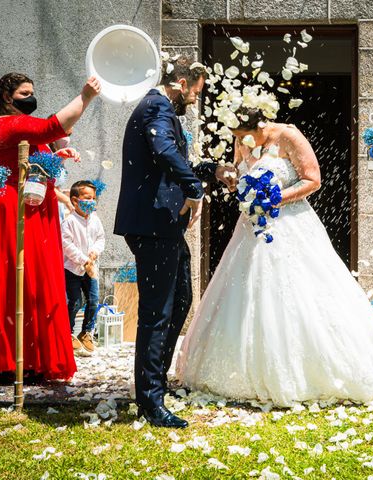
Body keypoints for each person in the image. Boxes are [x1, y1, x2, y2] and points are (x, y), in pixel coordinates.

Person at [176, 107, 373, 406]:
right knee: (246, 295)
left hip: (290, 225)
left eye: (245, 136)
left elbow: (312, 180)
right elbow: (237, 170)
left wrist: (276, 197)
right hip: (250, 230)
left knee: (301, 293)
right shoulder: (241, 140)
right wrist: (235, 181)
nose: (241, 142)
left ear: (260, 126)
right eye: (237, 138)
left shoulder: (289, 136)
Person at [114, 57, 235, 428]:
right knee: (157, 312)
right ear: (182, 83)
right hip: (152, 225)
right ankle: (151, 402)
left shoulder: (162, 111)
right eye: (195, 92)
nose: (195, 100)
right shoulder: (156, 106)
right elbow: (164, 153)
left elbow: (174, 157)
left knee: (181, 298)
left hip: (164, 226)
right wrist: (194, 188)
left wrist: (211, 170)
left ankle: (156, 384)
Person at [0, 73, 100, 382]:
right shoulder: (8, 123)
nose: (30, 98)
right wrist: (85, 96)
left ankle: (29, 357)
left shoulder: (13, 127)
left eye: (32, 92)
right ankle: (14, 359)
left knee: (32, 286)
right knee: (18, 285)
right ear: (8, 98)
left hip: (33, 217)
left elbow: (26, 161)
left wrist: (54, 155)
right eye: (24, 93)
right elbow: (52, 126)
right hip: (16, 220)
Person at [61, 180, 105, 355]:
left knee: (94, 300)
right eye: (87, 198)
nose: (91, 201)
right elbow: (66, 244)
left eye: (93, 198)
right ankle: (68, 332)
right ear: (74, 200)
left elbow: (100, 238)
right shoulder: (69, 221)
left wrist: (94, 252)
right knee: (75, 302)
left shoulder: (95, 219)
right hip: (72, 268)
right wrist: (83, 259)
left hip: (91, 268)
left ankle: (87, 332)